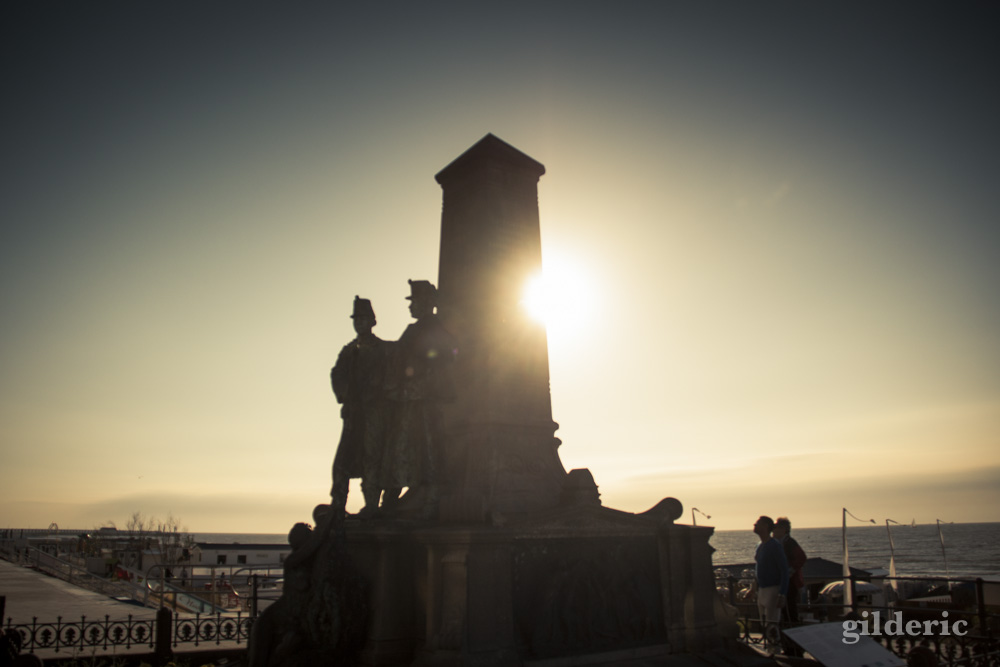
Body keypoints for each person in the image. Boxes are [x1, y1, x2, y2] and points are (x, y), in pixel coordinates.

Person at [381, 280, 456, 518]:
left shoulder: (437, 331)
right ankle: (391, 498)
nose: (410, 306)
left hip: (426, 398)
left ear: (426, 303)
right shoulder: (413, 331)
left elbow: (445, 358)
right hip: (407, 398)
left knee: (429, 445)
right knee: (400, 446)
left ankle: (431, 498)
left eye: (414, 302)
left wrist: (424, 377)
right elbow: (397, 356)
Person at [330, 296, 392, 518]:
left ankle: (372, 506)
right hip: (354, 414)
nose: (360, 323)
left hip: (375, 413)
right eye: (357, 319)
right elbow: (336, 374)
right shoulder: (348, 351)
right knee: (342, 461)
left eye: (364, 319)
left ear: (372, 321)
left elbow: (392, 378)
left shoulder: (384, 350)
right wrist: (345, 396)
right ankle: (337, 507)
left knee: (372, 458)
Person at [752, 515, 788, 647]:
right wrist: (753, 588)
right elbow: (758, 568)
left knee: (772, 623)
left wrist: (782, 594)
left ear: (766, 526)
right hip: (762, 589)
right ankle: (771, 647)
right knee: (764, 623)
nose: (754, 525)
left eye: (757, 523)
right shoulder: (760, 546)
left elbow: (784, 570)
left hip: (773, 589)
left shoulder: (774, 546)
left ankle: (775, 649)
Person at [773, 517, 807, 623]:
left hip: (790, 581)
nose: (773, 530)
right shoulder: (778, 542)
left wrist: (789, 571)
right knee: (783, 608)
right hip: (781, 580)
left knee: (789, 607)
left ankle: (791, 629)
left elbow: (801, 557)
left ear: (783, 529)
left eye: (776, 528)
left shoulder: (789, 543)